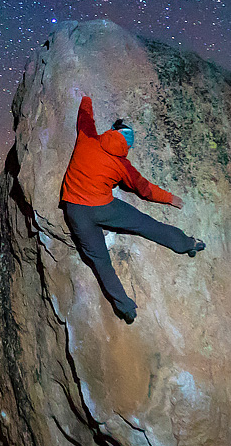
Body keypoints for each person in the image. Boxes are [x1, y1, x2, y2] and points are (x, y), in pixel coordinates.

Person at [60, 94, 204, 323]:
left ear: (111, 133)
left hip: (75, 211)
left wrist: (87, 98)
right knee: (145, 224)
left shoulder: (88, 139)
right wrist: (169, 198)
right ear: (127, 145)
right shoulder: (123, 165)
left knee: (100, 262)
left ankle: (126, 307)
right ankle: (188, 244)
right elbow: (144, 189)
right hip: (103, 207)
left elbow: (84, 117)